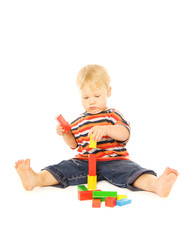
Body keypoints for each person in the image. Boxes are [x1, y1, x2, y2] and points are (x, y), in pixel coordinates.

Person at [15, 64, 179, 197]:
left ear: (108, 92)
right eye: (86, 98)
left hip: (114, 160)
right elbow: (74, 144)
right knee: (64, 167)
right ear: (80, 96)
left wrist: (107, 129)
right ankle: (35, 178)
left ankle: (156, 185)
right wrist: (66, 134)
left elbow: (125, 134)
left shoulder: (112, 115)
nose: (91, 101)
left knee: (132, 171)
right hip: (84, 161)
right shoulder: (79, 120)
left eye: (97, 96)